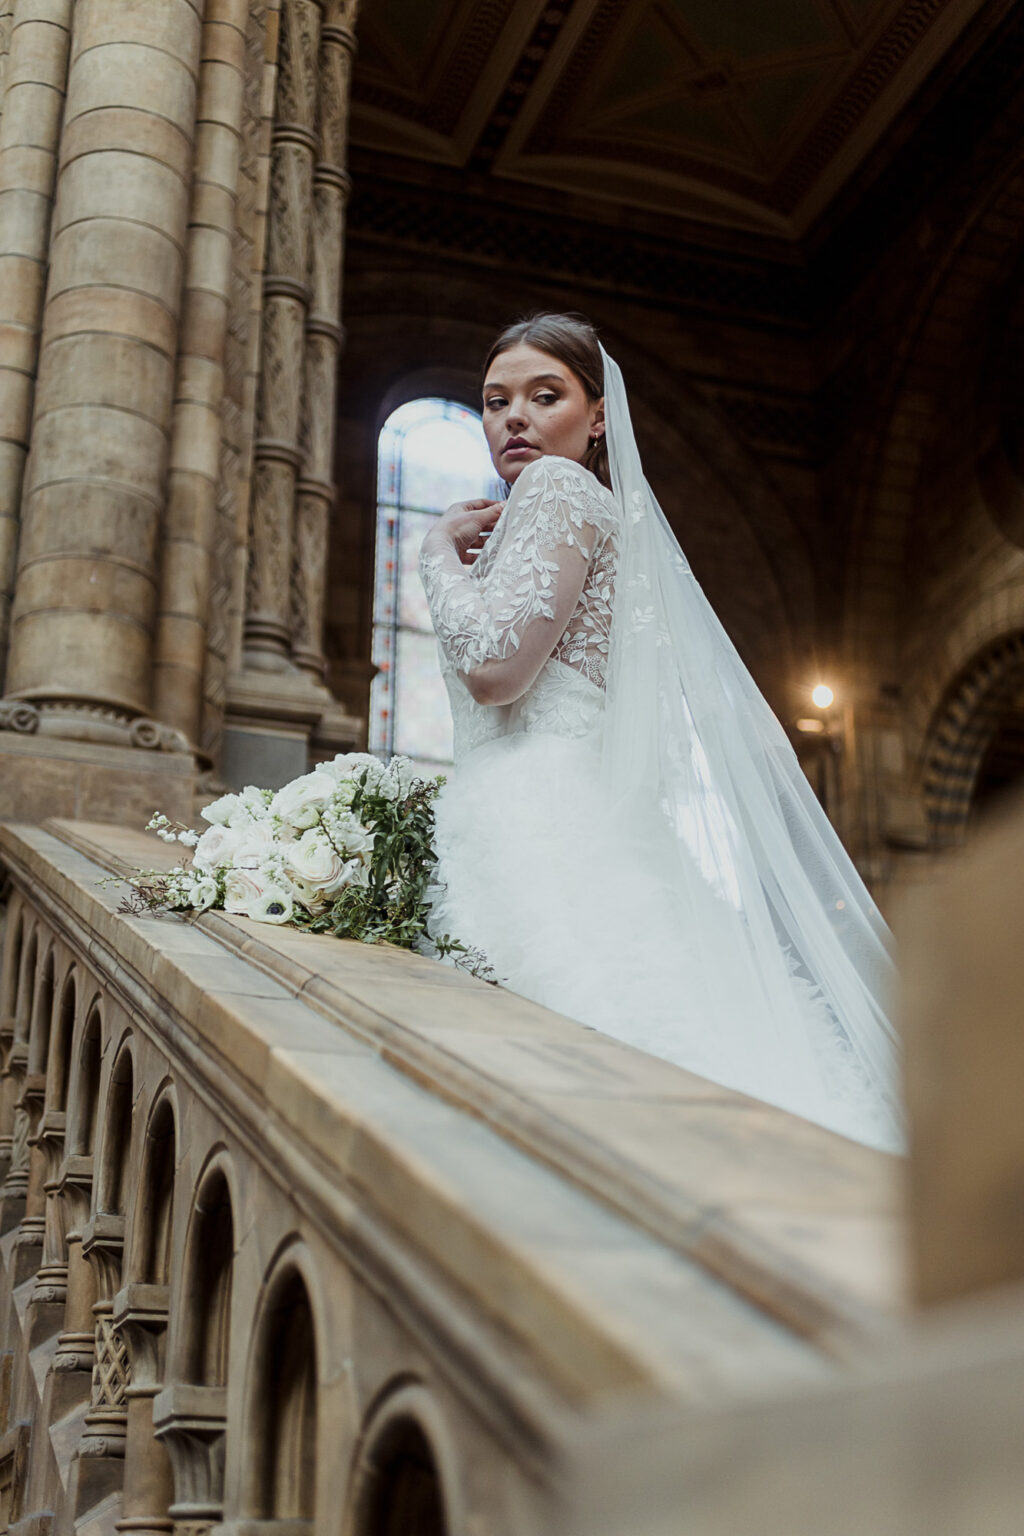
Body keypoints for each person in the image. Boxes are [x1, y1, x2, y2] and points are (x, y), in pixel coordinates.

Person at [419, 313, 903, 1152]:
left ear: (598, 415)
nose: (515, 419)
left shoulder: (558, 490)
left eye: (546, 396)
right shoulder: (592, 512)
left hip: (537, 825)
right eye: (495, 402)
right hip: (559, 811)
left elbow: (496, 669)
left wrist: (433, 555)